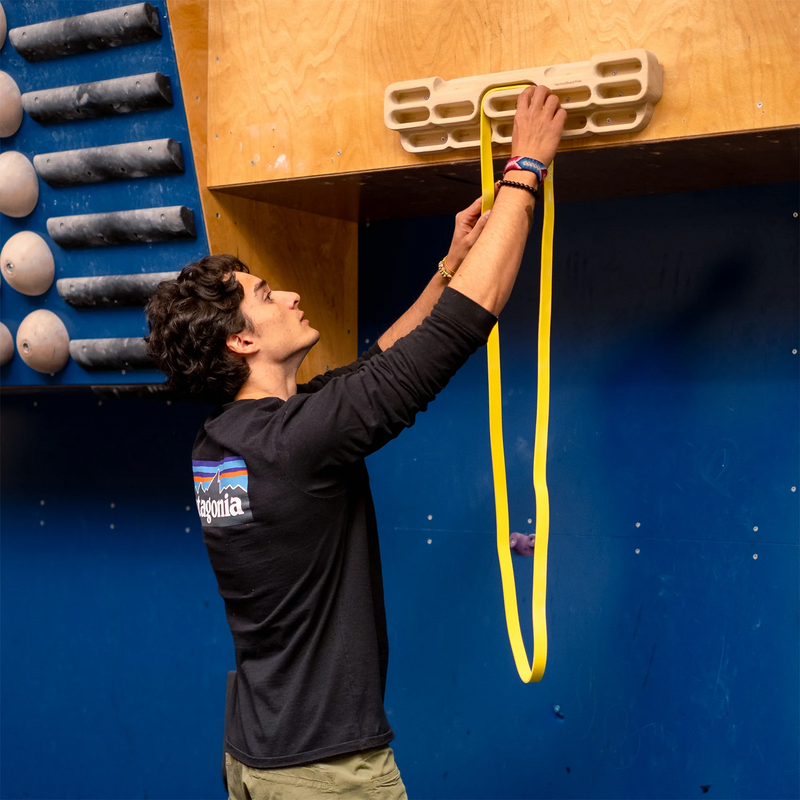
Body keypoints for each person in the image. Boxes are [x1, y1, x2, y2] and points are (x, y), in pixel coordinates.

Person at [145, 84, 566, 799]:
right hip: (323, 775)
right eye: (267, 294)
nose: (290, 296)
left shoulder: (228, 440)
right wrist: (525, 171)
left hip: (259, 754)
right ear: (242, 340)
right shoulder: (292, 441)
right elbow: (461, 327)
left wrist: (449, 264)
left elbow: (377, 367)